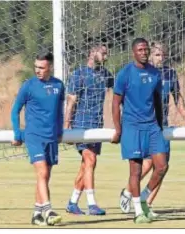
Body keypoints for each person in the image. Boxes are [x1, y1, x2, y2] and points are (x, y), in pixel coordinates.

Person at [118, 42, 185, 218]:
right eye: (157, 54)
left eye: (163, 54)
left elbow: (176, 97)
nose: (160, 57)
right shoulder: (129, 73)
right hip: (137, 126)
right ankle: (130, 195)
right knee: (143, 166)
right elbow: (117, 100)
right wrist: (118, 127)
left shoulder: (168, 74)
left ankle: (145, 201)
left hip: (157, 125)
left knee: (162, 166)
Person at [111, 37, 169, 224]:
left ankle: (143, 198)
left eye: (146, 50)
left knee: (162, 166)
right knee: (135, 171)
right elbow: (115, 103)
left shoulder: (155, 73)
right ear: (133, 52)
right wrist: (118, 129)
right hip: (132, 127)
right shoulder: (125, 74)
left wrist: (160, 125)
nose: (144, 53)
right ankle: (138, 212)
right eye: (140, 50)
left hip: (152, 126)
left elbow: (157, 101)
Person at [10, 52, 64, 226]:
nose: (38, 70)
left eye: (41, 67)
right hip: (34, 136)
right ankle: (48, 210)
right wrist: (18, 134)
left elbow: (59, 111)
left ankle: (36, 214)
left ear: (50, 67)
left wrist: (60, 130)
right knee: (42, 173)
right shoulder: (28, 86)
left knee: (44, 177)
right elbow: (15, 110)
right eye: (36, 67)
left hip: (51, 138)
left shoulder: (59, 85)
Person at [64, 43, 113, 216]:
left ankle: (72, 202)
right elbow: (71, 101)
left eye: (107, 54)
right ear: (92, 52)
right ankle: (92, 204)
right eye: (103, 53)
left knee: (87, 165)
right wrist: (66, 126)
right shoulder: (78, 74)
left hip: (97, 125)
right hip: (81, 125)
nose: (106, 57)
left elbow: (118, 92)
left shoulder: (106, 75)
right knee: (90, 160)